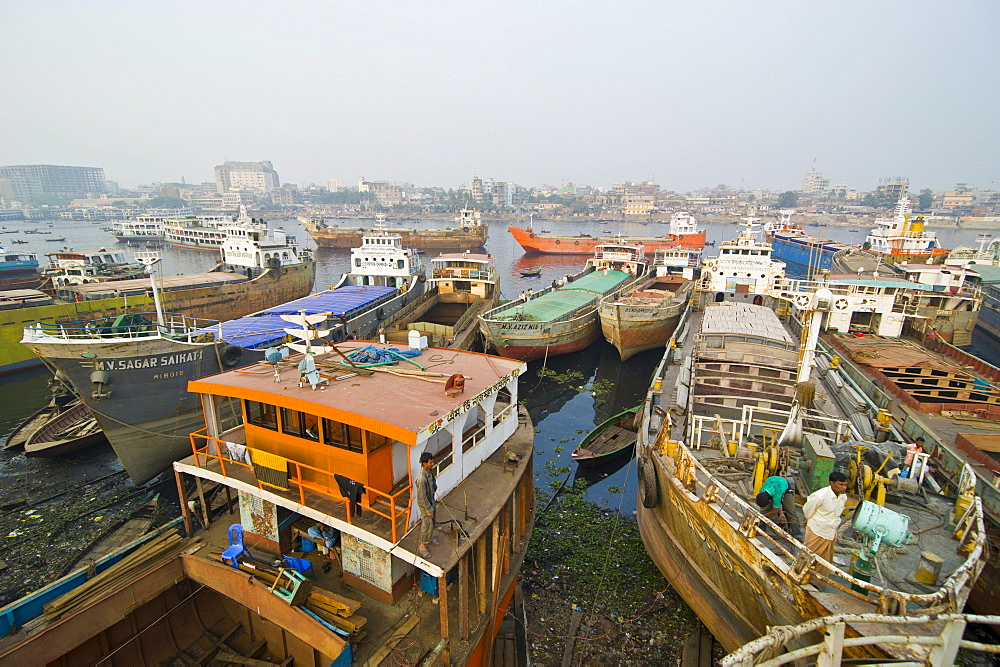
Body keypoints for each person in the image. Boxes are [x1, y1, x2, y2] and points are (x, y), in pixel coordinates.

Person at [802, 472, 849, 587]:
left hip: (830, 532)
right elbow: (807, 510)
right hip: (816, 530)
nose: (844, 488)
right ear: (831, 483)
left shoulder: (843, 497)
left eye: (845, 485)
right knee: (809, 555)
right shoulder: (820, 496)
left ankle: (817, 581)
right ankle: (801, 575)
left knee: (825, 559)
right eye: (841, 484)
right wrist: (809, 520)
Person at [415, 451, 438, 558]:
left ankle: (428, 539)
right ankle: (422, 545)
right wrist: (428, 509)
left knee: (433, 521)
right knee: (427, 523)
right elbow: (422, 496)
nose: (432, 464)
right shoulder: (421, 478)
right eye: (430, 462)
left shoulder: (429, 471)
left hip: (431, 499)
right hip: (425, 504)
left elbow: (433, 483)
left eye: (432, 462)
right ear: (424, 463)